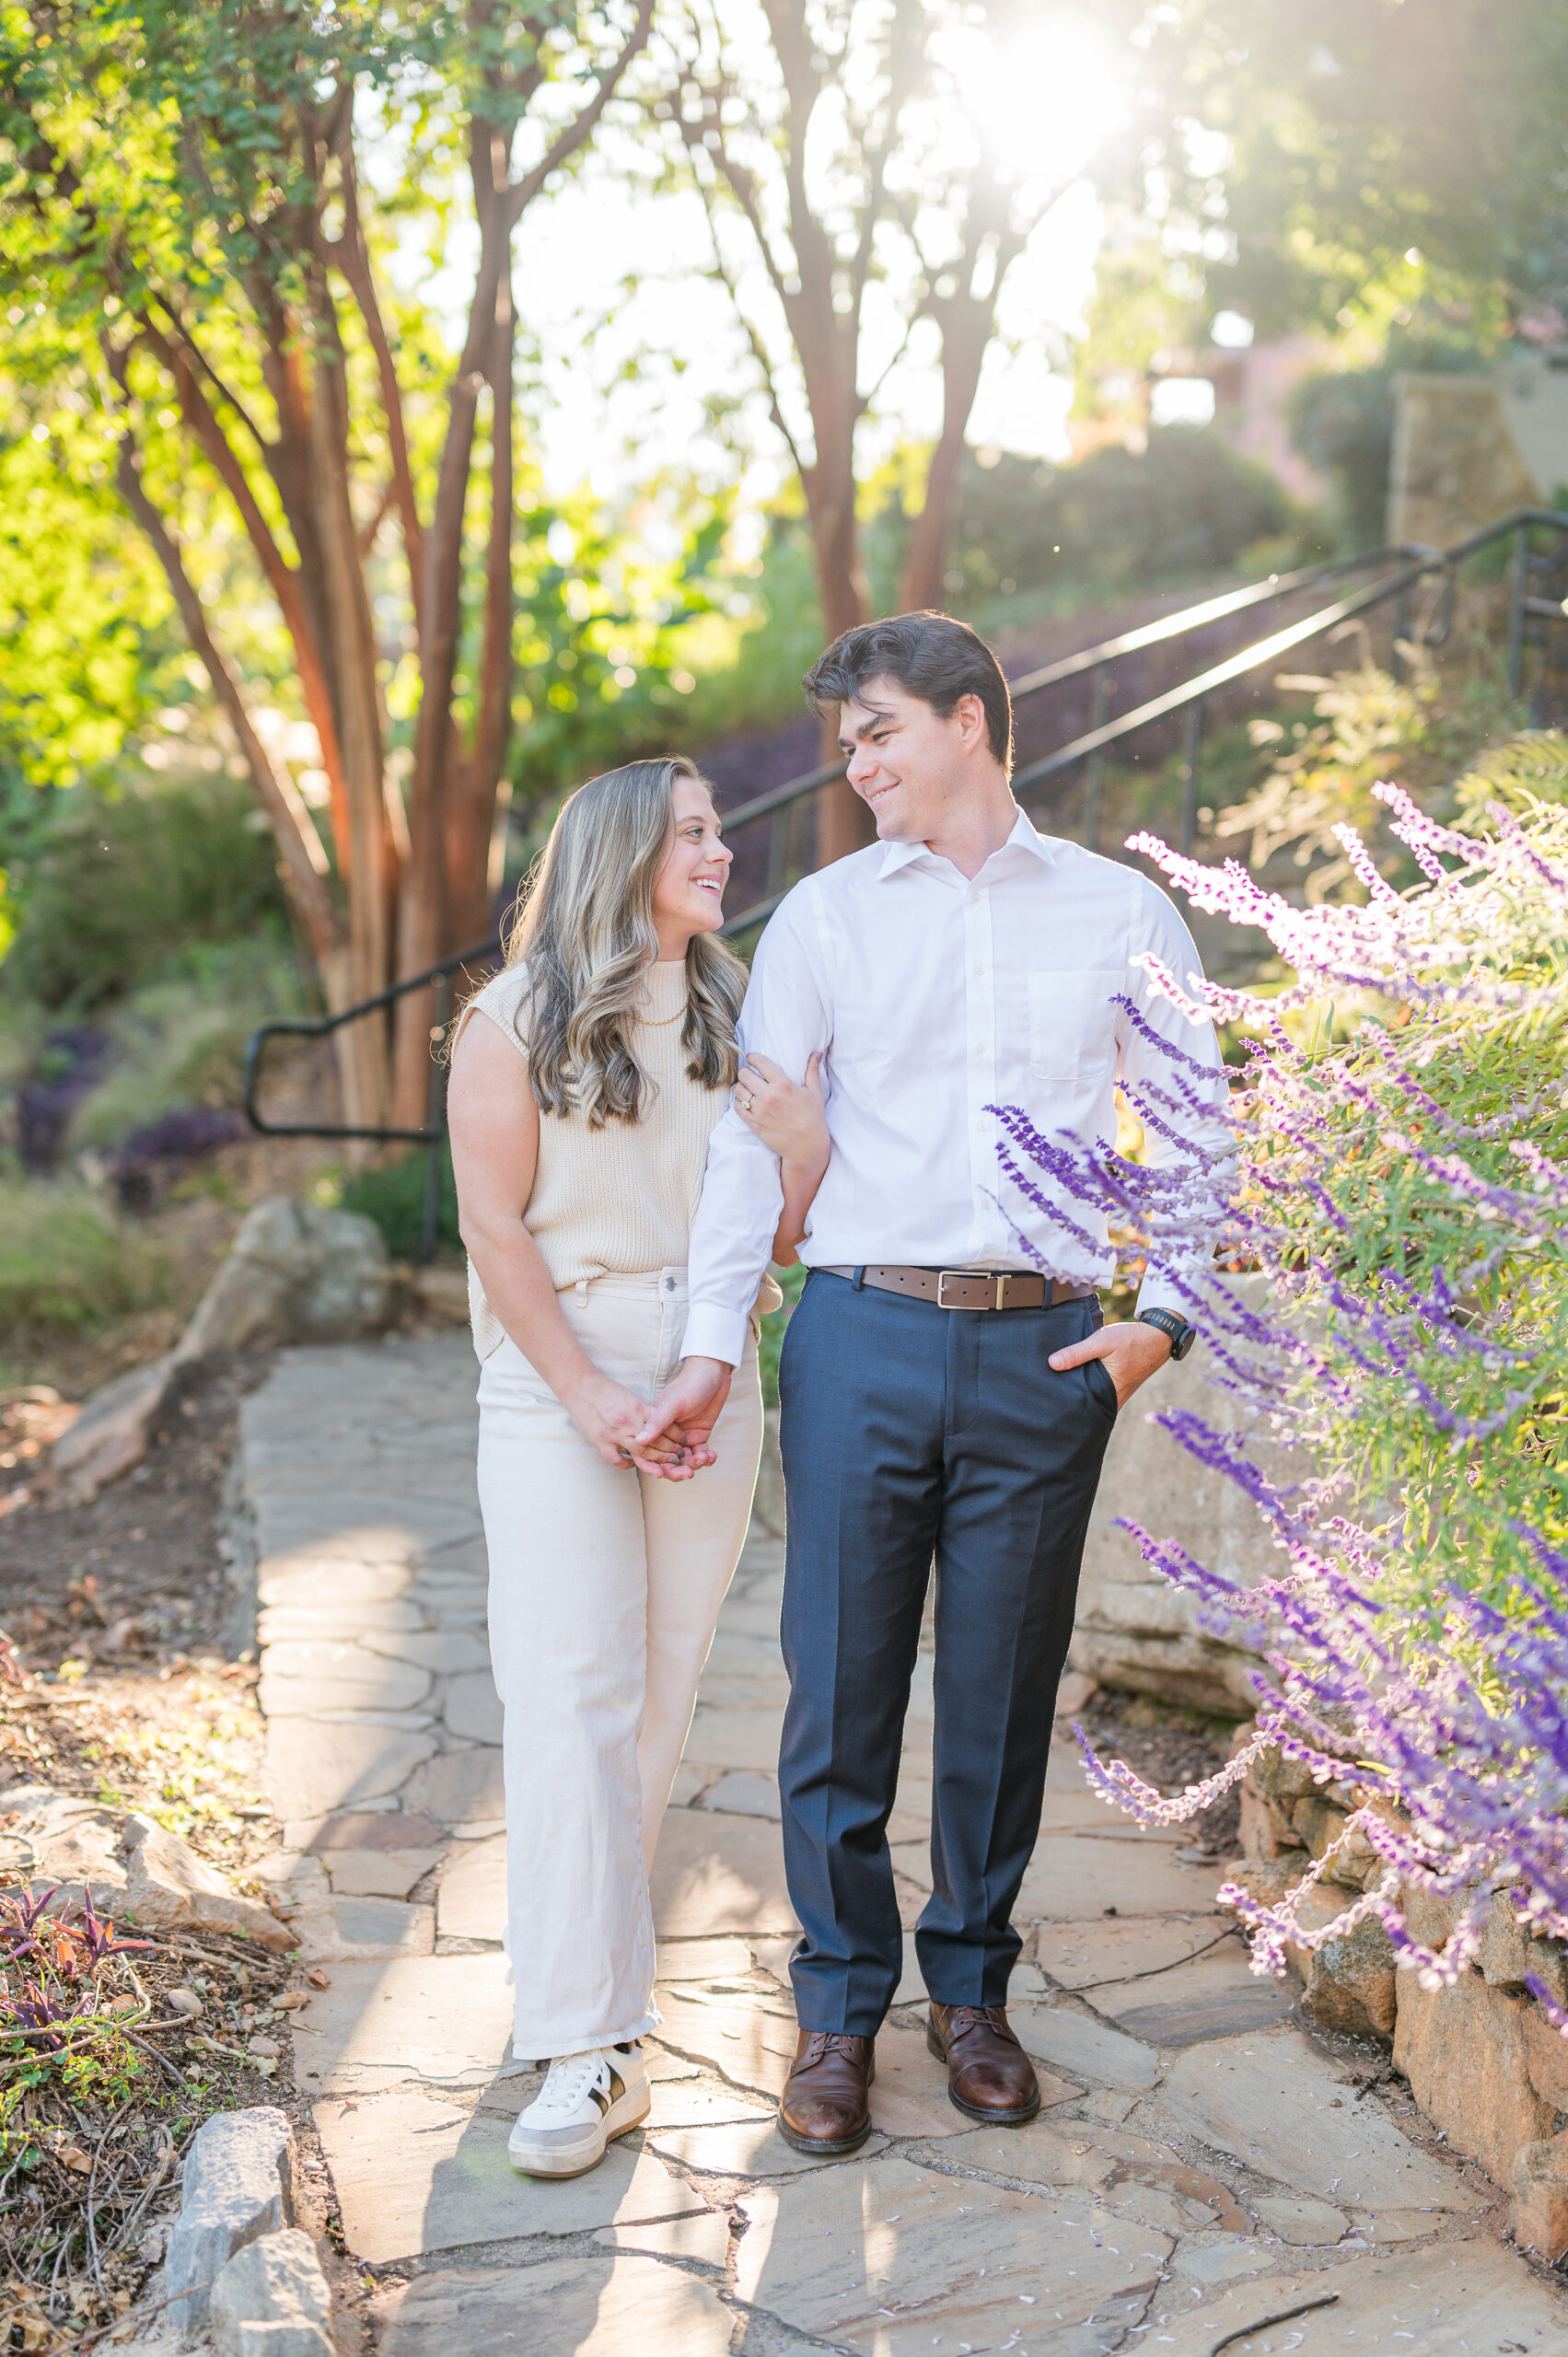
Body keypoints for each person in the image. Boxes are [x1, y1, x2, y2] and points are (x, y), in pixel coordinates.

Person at [638, 614, 1230, 2155]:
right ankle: (837, 2014)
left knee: (999, 1694)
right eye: (845, 743)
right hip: (862, 1333)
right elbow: (743, 1154)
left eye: (881, 732)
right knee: (837, 1690)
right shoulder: (826, 923)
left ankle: (972, 1995)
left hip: (1048, 1351)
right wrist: (715, 1349)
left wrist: (1161, 1320)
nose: (858, 766)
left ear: (970, 722)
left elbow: (1197, 1131)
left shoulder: (1125, 915)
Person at [447, 757, 827, 2179]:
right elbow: (496, 1234)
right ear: (621, 854)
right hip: (560, 1375)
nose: (722, 851)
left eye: (721, 827)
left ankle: (580, 1989)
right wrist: (595, 1393)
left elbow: (786, 1236)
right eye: (693, 832)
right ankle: (588, 2044)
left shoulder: (740, 1011)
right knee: (570, 1695)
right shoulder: (514, 1018)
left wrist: (802, 1157)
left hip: (712, 1363)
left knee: (657, 1699)